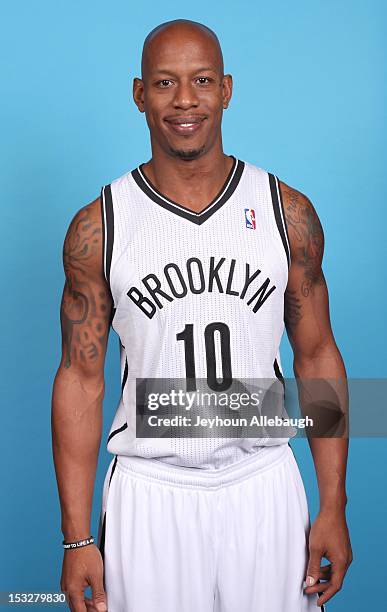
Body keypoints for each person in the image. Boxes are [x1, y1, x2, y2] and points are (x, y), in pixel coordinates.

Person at [51, 18, 353, 612]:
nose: (185, 100)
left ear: (227, 89)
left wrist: (334, 504)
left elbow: (317, 354)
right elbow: (80, 378)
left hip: (263, 480)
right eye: (164, 83)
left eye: (202, 80)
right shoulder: (99, 228)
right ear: (139, 94)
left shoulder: (285, 213)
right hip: (150, 490)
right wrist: (78, 536)